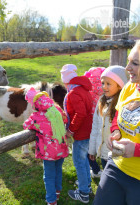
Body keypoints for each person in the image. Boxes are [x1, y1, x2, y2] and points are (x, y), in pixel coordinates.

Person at [93, 40, 140, 205]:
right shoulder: (129, 88)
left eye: (135, 63)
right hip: (117, 166)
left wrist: (135, 149)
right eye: (128, 61)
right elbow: (117, 117)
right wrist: (115, 132)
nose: (127, 69)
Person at [23, 87, 69, 205]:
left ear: (35, 104)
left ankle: (51, 200)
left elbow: (26, 125)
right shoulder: (57, 109)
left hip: (48, 153)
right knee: (58, 170)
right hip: (61, 148)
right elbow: (64, 119)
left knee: (48, 176)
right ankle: (57, 192)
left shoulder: (36, 117)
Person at [60, 64, 93, 204]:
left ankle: (83, 193)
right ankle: (87, 185)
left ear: (66, 80)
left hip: (81, 133)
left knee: (79, 162)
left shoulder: (73, 93)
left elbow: (80, 113)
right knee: (83, 159)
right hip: (87, 130)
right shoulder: (82, 89)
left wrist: (71, 130)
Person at [88, 65, 128, 172]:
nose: (104, 87)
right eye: (102, 83)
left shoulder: (123, 104)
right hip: (103, 152)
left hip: (117, 155)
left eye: (108, 84)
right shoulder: (102, 101)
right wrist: (92, 149)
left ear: (120, 86)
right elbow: (95, 126)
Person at [84, 67, 106, 178]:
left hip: (90, 122)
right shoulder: (106, 91)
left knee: (89, 147)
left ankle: (95, 169)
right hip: (103, 122)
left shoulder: (88, 90)